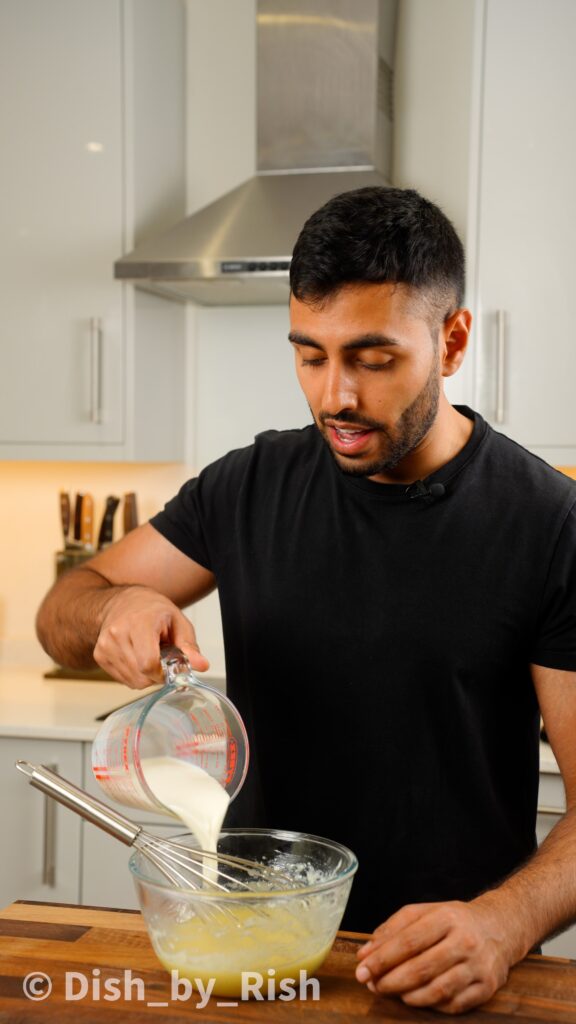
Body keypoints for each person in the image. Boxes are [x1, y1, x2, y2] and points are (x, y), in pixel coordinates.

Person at [37, 187, 576, 1014]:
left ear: (453, 339)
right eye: (310, 354)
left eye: (372, 357)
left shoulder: (548, 523)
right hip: (258, 953)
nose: (334, 397)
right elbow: (66, 606)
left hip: (447, 968)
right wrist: (115, 612)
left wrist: (502, 925)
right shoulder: (249, 485)